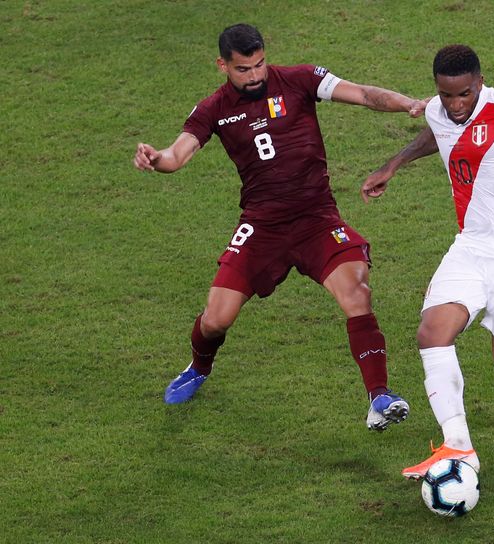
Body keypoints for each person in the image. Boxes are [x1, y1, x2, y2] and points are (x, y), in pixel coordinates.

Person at [133, 23, 427, 431]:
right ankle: (199, 368)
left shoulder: (300, 80)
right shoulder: (212, 109)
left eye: (259, 64)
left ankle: (379, 396)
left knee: (357, 292)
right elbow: (178, 155)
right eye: (243, 69)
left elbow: (361, 94)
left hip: (316, 219)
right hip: (262, 226)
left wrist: (410, 103)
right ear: (222, 65)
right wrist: (155, 158)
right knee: (216, 319)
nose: (255, 76)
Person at [361, 44, 494, 476]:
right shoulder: (439, 112)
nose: (456, 105)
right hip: (472, 247)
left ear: (479, 82)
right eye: (447, 96)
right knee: (432, 332)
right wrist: (395, 163)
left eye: (464, 94)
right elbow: (438, 131)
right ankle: (458, 446)